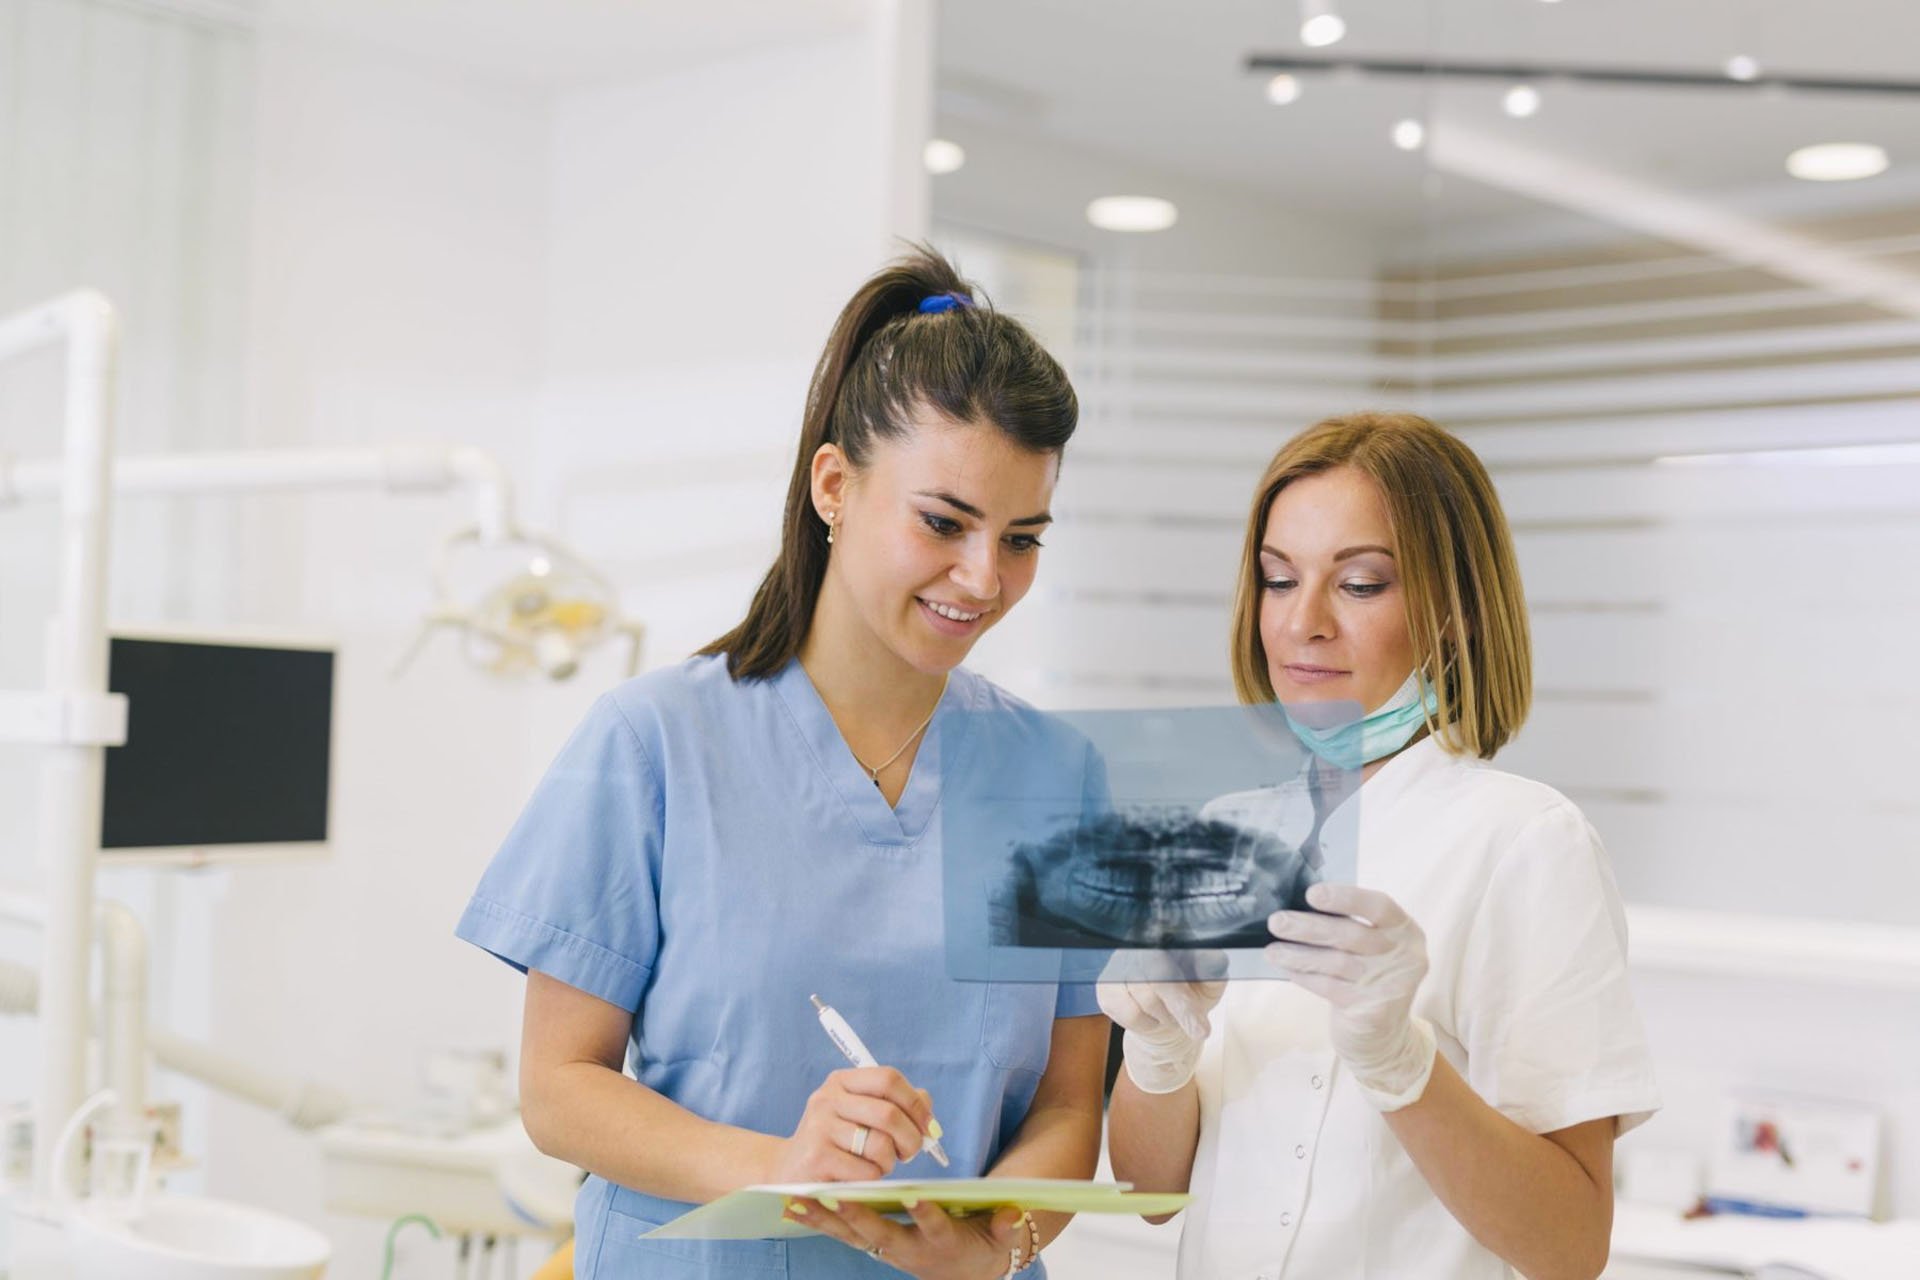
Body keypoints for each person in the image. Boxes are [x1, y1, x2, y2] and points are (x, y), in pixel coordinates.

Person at [456, 248, 1108, 1279]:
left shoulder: (1059, 777)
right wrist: (784, 1166)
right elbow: (559, 1087)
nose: (984, 578)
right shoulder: (653, 741)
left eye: (1022, 537)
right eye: (944, 521)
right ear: (835, 486)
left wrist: (995, 1249)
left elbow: (1071, 1104)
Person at [1101, 412, 1661, 1280]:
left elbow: (1570, 1246)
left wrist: (1401, 1062)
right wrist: (1157, 1049)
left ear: (1458, 612)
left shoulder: (1525, 844)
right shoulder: (1226, 830)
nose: (1303, 624)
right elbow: (1147, 1193)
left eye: (1360, 584)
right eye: (1279, 581)